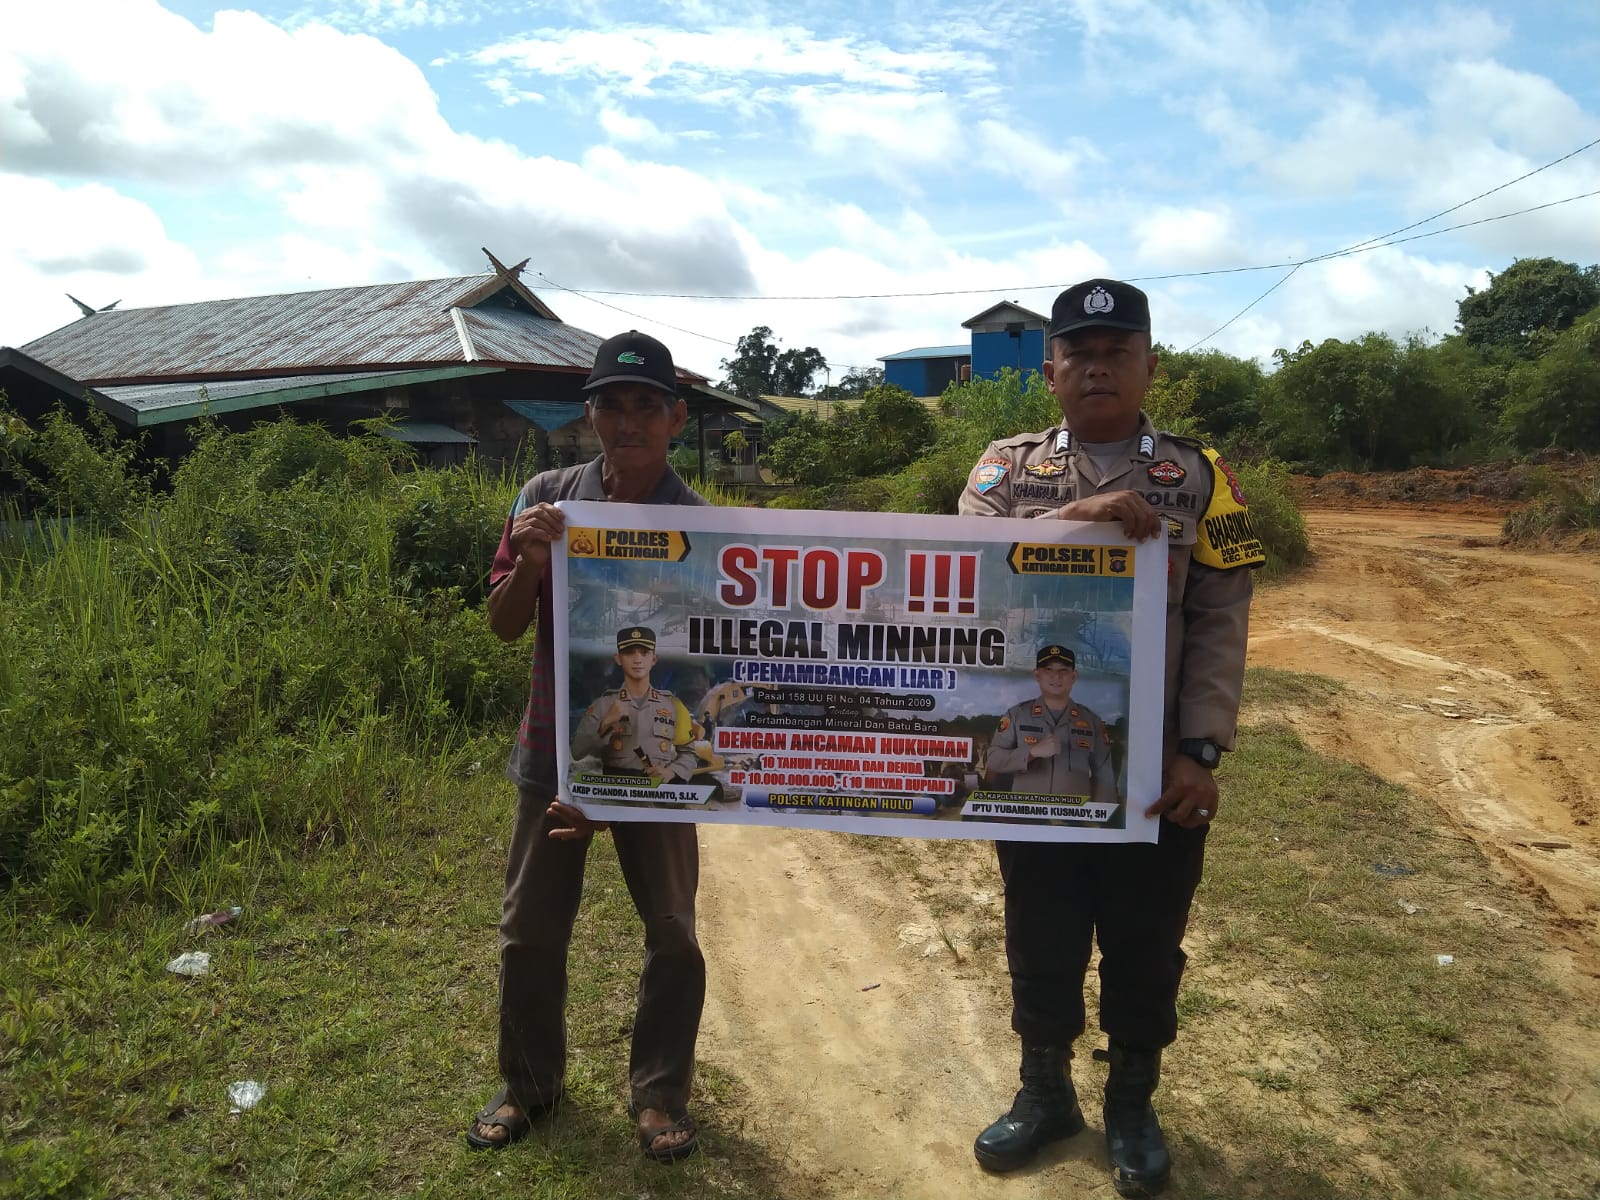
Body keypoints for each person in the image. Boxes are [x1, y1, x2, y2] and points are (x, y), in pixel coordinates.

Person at [960, 279, 1263, 1197]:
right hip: (1041, 764)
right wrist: (1067, 522)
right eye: (1078, 353)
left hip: (1152, 768)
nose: (1097, 366)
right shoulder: (1004, 472)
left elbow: (1222, 618)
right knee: (1040, 929)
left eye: (1117, 351)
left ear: (1148, 365)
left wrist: (1199, 751)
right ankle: (1043, 1092)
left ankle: (1133, 1101)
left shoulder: (1198, 476)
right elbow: (957, 569)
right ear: (1048, 371)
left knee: (1145, 939)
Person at [465, 330, 710, 1163]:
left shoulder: (701, 527)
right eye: (613, 403)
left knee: (673, 931)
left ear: (676, 416)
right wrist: (532, 563)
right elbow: (501, 627)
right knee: (530, 932)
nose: (629, 420)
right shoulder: (546, 497)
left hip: (656, 767)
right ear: (591, 414)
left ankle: (659, 1094)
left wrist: (628, 792)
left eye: (647, 405)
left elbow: (712, 653)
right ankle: (530, 1085)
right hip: (554, 757)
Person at [986, 644, 1118, 810]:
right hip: (1025, 817)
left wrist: (1101, 821)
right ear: (1037, 675)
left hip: (1073, 820)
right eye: (1048, 669)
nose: (1056, 676)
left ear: (1074, 676)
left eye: (1063, 670)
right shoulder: (1016, 715)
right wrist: (1031, 752)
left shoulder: (1092, 721)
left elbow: (1104, 777)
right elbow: (993, 760)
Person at [571, 627, 700, 784]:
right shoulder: (603, 705)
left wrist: (671, 772)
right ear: (618, 659)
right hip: (615, 796)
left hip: (658, 795)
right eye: (629, 652)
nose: (637, 659)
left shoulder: (673, 706)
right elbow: (577, 751)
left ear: (654, 659)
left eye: (644, 653)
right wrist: (606, 723)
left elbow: (689, 753)